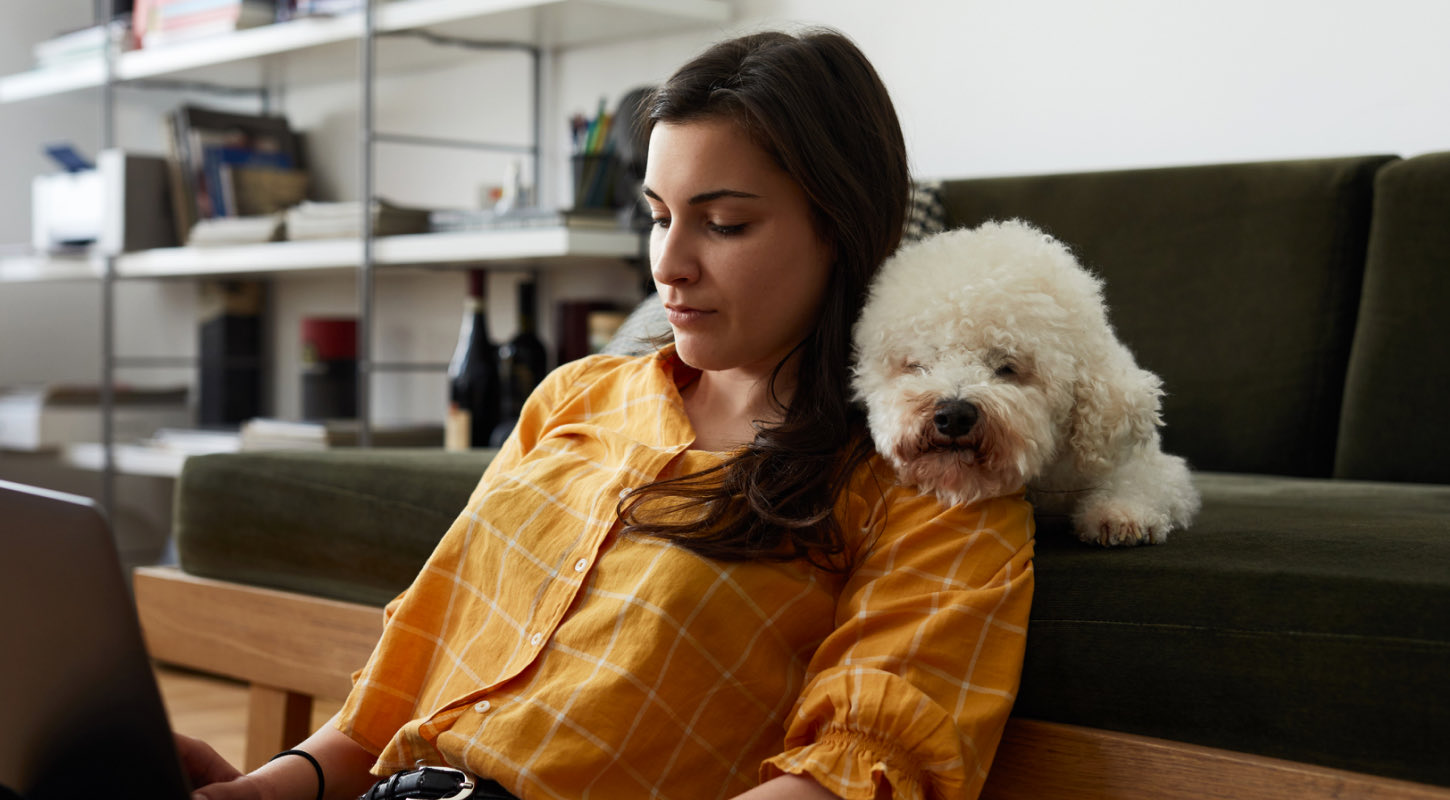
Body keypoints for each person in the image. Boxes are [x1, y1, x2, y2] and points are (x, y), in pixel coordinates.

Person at [179, 27, 1034, 800]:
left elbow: (861, 766)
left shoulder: (926, 475)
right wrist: (264, 791)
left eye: (725, 224)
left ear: (843, 227)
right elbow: (419, 658)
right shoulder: (575, 395)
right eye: (658, 217)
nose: (670, 264)